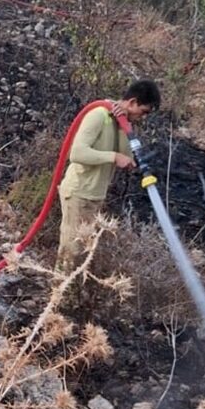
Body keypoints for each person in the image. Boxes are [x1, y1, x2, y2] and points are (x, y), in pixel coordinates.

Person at [57, 80, 161, 271]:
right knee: (71, 250)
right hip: (79, 192)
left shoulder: (121, 122)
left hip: (95, 195)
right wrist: (113, 156)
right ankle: (58, 295)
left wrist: (123, 127)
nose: (144, 117)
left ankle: (73, 294)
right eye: (144, 111)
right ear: (132, 102)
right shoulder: (98, 115)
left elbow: (126, 157)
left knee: (84, 252)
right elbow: (77, 154)